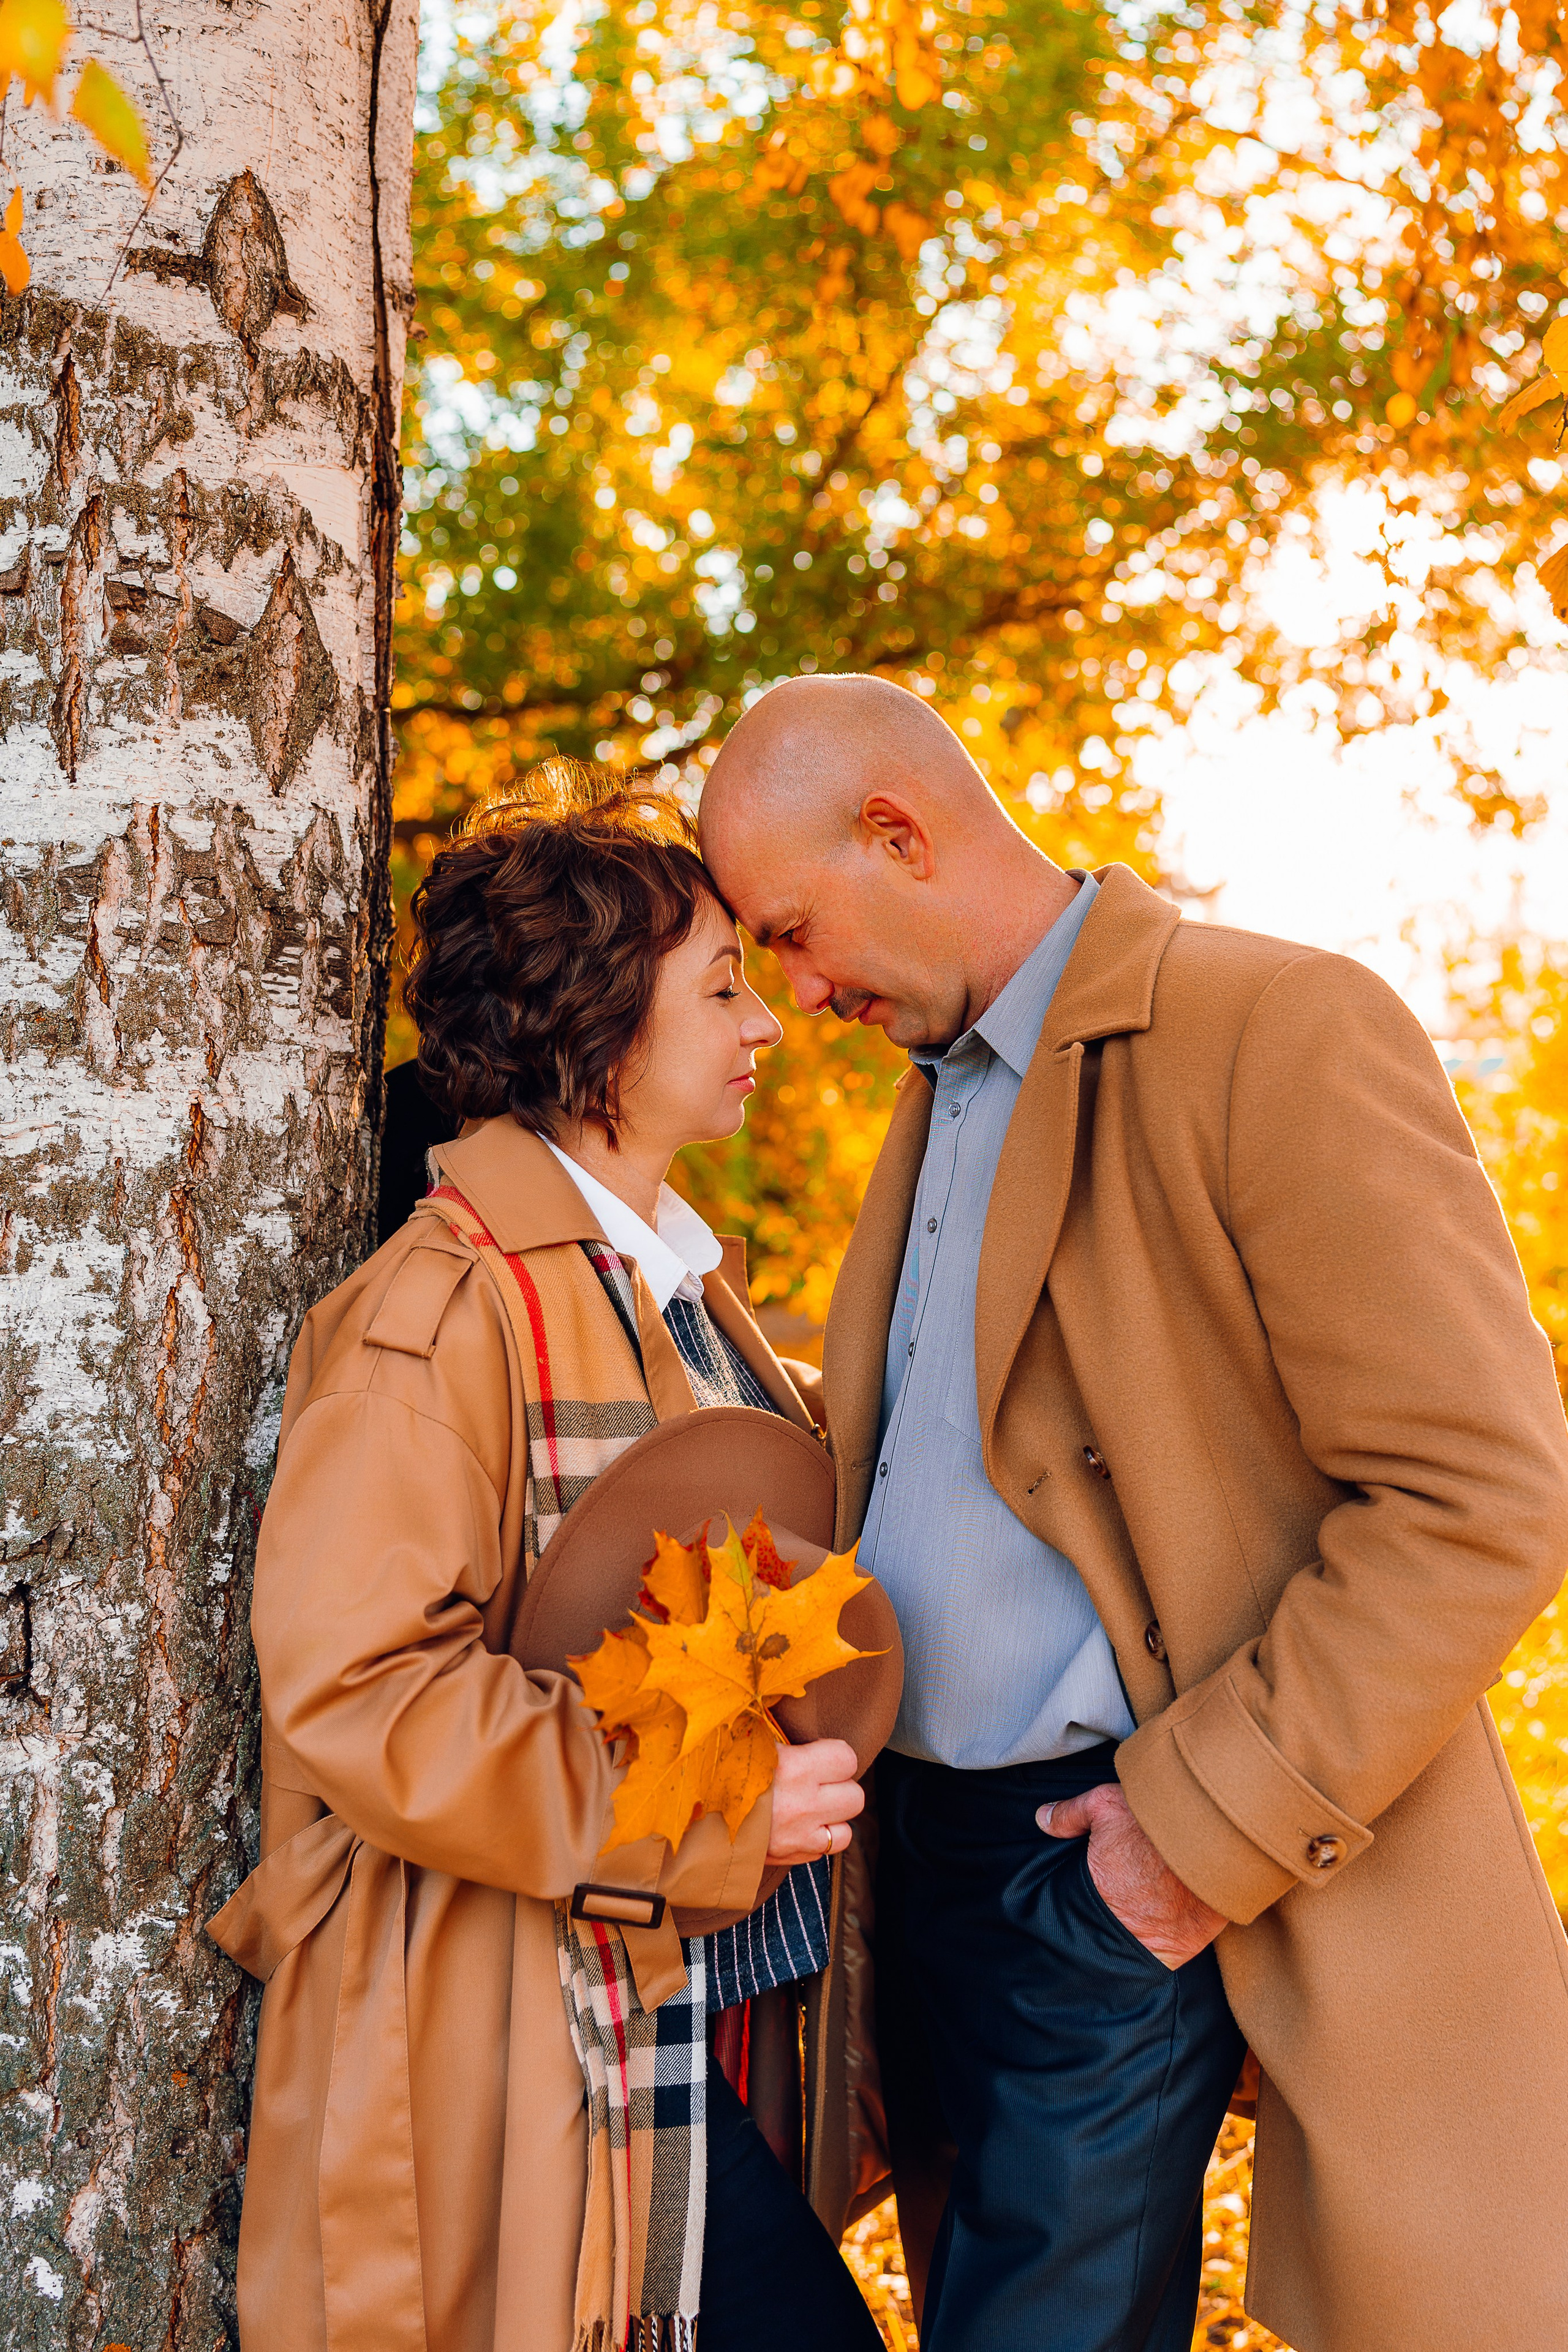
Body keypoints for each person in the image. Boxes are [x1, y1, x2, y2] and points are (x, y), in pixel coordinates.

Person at [698, 673, 1568, 2352]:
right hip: (924, 1868)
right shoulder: (938, 1087)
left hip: (1119, 1858)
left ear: (900, 833)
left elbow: (1483, 1496)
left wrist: (1192, 1834)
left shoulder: (1282, 1027)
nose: (795, 995)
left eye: (796, 934)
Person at [209, 764, 884, 2352]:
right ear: (599, 1031)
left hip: (677, 2010)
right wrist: (713, 1806)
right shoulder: (435, 1314)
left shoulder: (671, 1288)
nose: (765, 1024)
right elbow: (360, 1694)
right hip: (512, 2016)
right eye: (720, 989)